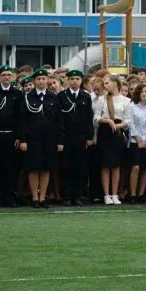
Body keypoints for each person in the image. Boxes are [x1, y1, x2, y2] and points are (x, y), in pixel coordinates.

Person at [19, 68, 62, 209]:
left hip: (49, 139)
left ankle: (43, 197)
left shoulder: (53, 97)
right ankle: (34, 197)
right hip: (33, 139)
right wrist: (23, 139)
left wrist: (59, 140)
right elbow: (23, 120)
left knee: (46, 168)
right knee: (33, 168)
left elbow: (58, 121)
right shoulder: (27, 97)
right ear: (34, 81)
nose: (41, 81)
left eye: (43, 79)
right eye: (38, 79)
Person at [59, 69, 95, 206]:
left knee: (80, 167)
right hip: (67, 137)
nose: (75, 81)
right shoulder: (62, 96)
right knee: (67, 167)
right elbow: (60, 120)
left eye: (77, 79)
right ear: (68, 80)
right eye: (72, 79)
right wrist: (60, 139)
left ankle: (78, 195)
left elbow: (88, 118)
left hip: (81, 137)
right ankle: (67, 196)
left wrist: (89, 136)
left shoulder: (85, 97)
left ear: (81, 81)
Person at [0, 67, 23, 207]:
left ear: (13, 77)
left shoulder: (17, 93)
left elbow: (20, 117)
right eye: (3, 75)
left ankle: (9, 196)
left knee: (11, 168)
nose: (6, 77)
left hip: (11, 135)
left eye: (9, 75)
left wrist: (19, 136)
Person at [95, 74, 132, 205]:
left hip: (117, 132)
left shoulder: (126, 100)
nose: (105, 86)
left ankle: (115, 194)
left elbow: (128, 120)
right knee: (105, 165)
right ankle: (106, 195)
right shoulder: (102, 99)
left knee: (116, 165)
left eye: (107, 83)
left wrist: (118, 125)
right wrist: (107, 121)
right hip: (105, 131)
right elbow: (96, 118)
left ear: (115, 84)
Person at [127, 82, 146, 204]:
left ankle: (141, 194)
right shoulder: (132, 106)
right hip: (135, 141)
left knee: (145, 167)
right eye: (142, 92)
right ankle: (133, 194)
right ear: (138, 93)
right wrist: (138, 139)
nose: (144, 94)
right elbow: (131, 124)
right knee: (136, 166)